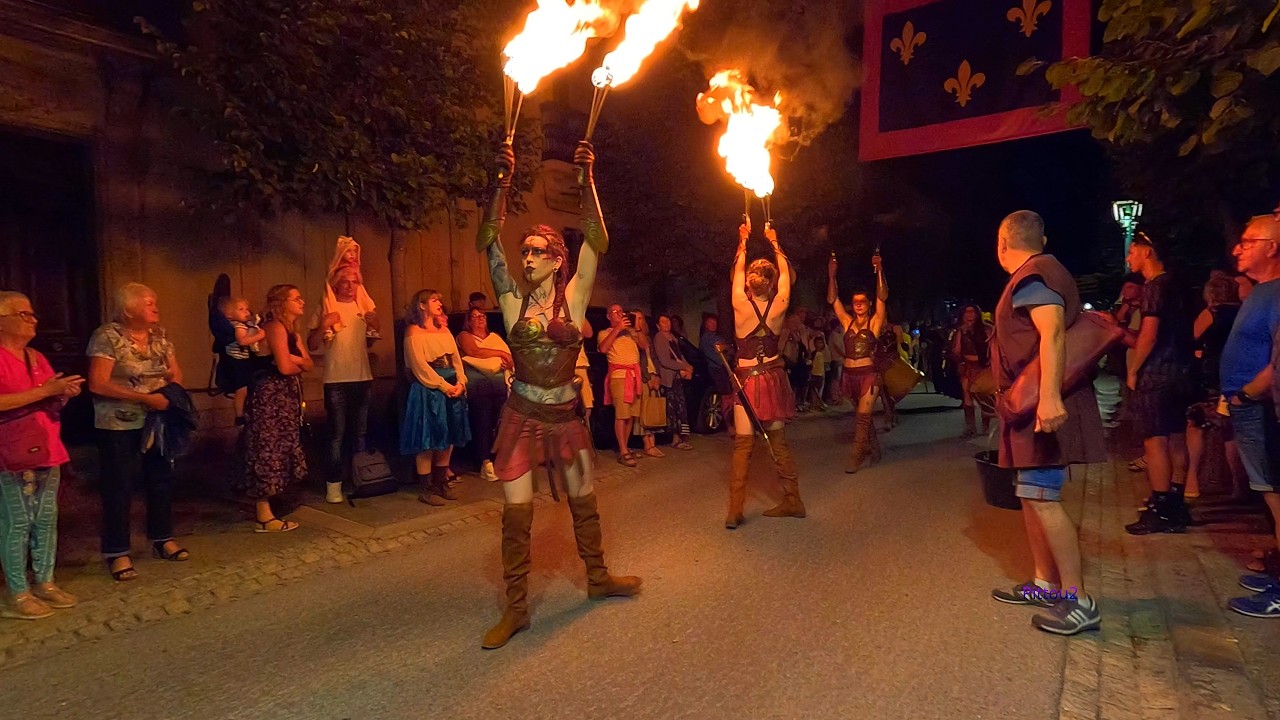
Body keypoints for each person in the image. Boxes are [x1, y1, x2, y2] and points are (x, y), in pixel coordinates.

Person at [476, 140, 640, 650]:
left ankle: (597, 578)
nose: (526, 258)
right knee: (516, 515)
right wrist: (500, 184)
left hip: (566, 416)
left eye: (536, 251)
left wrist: (586, 179)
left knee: (584, 502)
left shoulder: (575, 297)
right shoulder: (509, 301)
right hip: (521, 416)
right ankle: (518, 610)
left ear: (556, 259)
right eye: (524, 251)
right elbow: (487, 242)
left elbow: (598, 240)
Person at [987, 211, 1105, 635]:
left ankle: (1078, 602)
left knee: (1043, 497)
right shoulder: (1040, 270)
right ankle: (1044, 585)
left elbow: (1052, 331)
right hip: (1029, 403)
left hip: (1040, 403)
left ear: (1003, 241)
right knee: (1031, 495)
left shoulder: (1034, 275)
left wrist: (1050, 398)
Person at [87, 283, 189, 581]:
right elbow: (98, 382)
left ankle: (161, 538)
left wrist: (169, 387)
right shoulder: (107, 336)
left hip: (157, 419)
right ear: (128, 309)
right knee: (118, 485)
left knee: (161, 480)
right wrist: (145, 397)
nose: (155, 307)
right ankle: (117, 551)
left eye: (154, 301)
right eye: (148, 303)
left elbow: (176, 373)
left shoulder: (160, 336)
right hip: (118, 422)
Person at [0, 292, 83, 619]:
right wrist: (45, 391)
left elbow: (44, 400)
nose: (34, 319)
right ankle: (17, 591)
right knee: (17, 521)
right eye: (25, 314)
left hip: (47, 447)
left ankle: (45, 581)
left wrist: (61, 394)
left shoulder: (35, 357)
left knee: (45, 519)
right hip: (10, 450)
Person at [725, 222, 805, 529]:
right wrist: (775, 241)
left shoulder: (739, 303)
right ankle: (793, 499)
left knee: (744, 445)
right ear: (771, 284)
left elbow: (736, 273)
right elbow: (786, 276)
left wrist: (742, 241)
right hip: (771, 377)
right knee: (778, 442)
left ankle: (734, 510)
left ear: (749, 282)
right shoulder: (780, 303)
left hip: (747, 380)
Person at [1222, 212, 1280, 619]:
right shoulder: (1262, 291)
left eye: (1247, 240)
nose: (1237, 248)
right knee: (1269, 493)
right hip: (1250, 409)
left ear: (1272, 247)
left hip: (1260, 409)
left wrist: (1245, 395)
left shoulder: (1277, 293)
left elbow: (1277, 362)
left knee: (1276, 495)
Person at [1121, 234, 1195, 534]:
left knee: (1155, 441)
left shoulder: (1153, 287)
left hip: (1158, 373)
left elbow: (1149, 334)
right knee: (1177, 437)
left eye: (1132, 252)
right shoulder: (1179, 286)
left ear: (1148, 251)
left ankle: (1159, 508)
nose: (1128, 258)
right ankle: (1177, 504)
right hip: (1183, 371)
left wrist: (1134, 369)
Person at [237, 285, 311, 532]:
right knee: (267, 447)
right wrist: (298, 362)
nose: (302, 301)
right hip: (269, 395)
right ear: (282, 302)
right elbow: (284, 367)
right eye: (296, 298)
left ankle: (274, 504)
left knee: (282, 446)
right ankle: (264, 515)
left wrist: (298, 360)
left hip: (285, 396)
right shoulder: (275, 327)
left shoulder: (293, 332)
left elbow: (307, 363)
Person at [308, 266, 379, 504]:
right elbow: (312, 344)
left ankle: (361, 479)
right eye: (346, 282)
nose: (350, 286)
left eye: (354, 282)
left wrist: (374, 325)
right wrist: (323, 325)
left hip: (362, 377)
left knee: (360, 433)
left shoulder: (362, 306)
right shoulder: (327, 305)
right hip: (336, 379)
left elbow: (369, 340)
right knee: (336, 434)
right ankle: (334, 484)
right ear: (336, 284)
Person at [401, 289, 470, 505]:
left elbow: (456, 359)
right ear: (421, 305)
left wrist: (460, 381)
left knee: (447, 438)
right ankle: (426, 487)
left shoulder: (443, 330)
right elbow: (419, 366)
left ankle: (441, 482)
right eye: (434, 300)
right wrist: (443, 386)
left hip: (451, 387)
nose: (440, 303)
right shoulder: (413, 331)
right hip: (430, 390)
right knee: (428, 439)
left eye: (440, 299)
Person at [1183, 271, 1246, 500]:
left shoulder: (1212, 313)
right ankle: (1239, 485)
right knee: (1231, 431)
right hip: (1236, 375)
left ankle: (1191, 481)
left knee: (1196, 423)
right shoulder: (1243, 312)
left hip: (1210, 375)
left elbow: (1191, 339)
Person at [828, 251, 889, 473]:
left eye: (863, 301)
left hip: (868, 375)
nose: (859, 305)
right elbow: (833, 300)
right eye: (855, 302)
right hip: (849, 375)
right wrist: (832, 276)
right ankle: (874, 448)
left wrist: (880, 270)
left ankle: (856, 455)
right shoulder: (846, 322)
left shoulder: (874, 323)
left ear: (868, 303)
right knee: (863, 415)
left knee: (862, 418)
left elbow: (883, 297)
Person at [458, 305, 511, 482]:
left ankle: (497, 458)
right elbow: (475, 352)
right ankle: (484, 461)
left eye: (483, 316)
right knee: (482, 421)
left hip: (499, 386)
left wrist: (505, 362)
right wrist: (500, 354)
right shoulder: (465, 336)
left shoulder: (494, 337)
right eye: (475, 316)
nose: (480, 318)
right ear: (469, 320)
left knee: (499, 422)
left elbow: (510, 359)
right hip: (479, 387)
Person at [599, 304, 644, 466]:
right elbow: (603, 349)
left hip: (634, 376)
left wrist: (637, 328)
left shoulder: (630, 333)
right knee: (621, 414)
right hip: (619, 376)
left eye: (621, 312)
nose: (619, 314)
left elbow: (645, 345)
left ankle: (624, 446)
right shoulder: (605, 333)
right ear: (608, 316)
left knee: (631, 415)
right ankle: (623, 451)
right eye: (615, 312)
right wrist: (618, 329)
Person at [218, 297, 266, 425]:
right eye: (241, 309)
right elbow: (242, 341)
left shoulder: (243, 325)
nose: (247, 312)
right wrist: (259, 336)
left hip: (241, 360)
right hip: (238, 361)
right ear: (228, 314)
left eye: (247, 309)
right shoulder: (238, 326)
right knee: (242, 388)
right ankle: (239, 415)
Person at [322, 236, 379, 340]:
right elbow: (330, 284)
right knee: (328, 304)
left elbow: (360, 281)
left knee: (366, 305)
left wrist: (357, 276)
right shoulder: (338, 268)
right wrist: (339, 276)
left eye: (355, 251)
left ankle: (370, 329)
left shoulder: (355, 266)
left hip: (359, 293)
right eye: (348, 251)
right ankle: (329, 328)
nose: (352, 254)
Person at [950, 304, 994, 437]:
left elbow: (993, 346)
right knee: (967, 398)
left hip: (984, 367)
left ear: (977, 314)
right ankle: (970, 427)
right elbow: (956, 350)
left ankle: (985, 427)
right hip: (968, 368)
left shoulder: (987, 329)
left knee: (985, 395)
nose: (969, 315)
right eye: (966, 312)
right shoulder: (960, 331)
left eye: (972, 312)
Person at [653, 313, 694, 450]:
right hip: (668, 378)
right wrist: (684, 366)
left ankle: (680, 437)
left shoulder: (673, 338)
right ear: (658, 325)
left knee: (680, 408)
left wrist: (689, 367)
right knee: (672, 409)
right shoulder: (659, 338)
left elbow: (679, 356)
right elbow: (665, 361)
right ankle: (675, 438)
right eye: (663, 321)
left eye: (668, 321)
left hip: (676, 378)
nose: (667, 323)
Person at [699, 313, 735, 430]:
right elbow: (723, 347)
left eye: (715, 322)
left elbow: (729, 348)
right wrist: (727, 347)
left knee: (730, 396)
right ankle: (728, 424)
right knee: (726, 397)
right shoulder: (707, 338)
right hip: (717, 369)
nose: (713, 325)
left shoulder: (716, 336)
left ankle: (730, 422)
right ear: (706, 324)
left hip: (725, 368)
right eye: (711, 322)